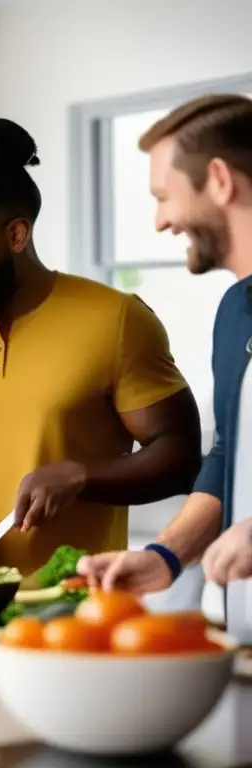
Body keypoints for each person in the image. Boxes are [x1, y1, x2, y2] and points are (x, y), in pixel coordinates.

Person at [0, 117, 203, 576]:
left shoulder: (115, 319)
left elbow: (180, 455)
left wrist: (82, 475)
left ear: (16, 235)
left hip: (77, 601)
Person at [78, 95, 252, 598]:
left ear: (219, 179)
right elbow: (229, 457)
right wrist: (164, 557)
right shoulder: (234, 312)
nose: (159, 222)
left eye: (163, 196)